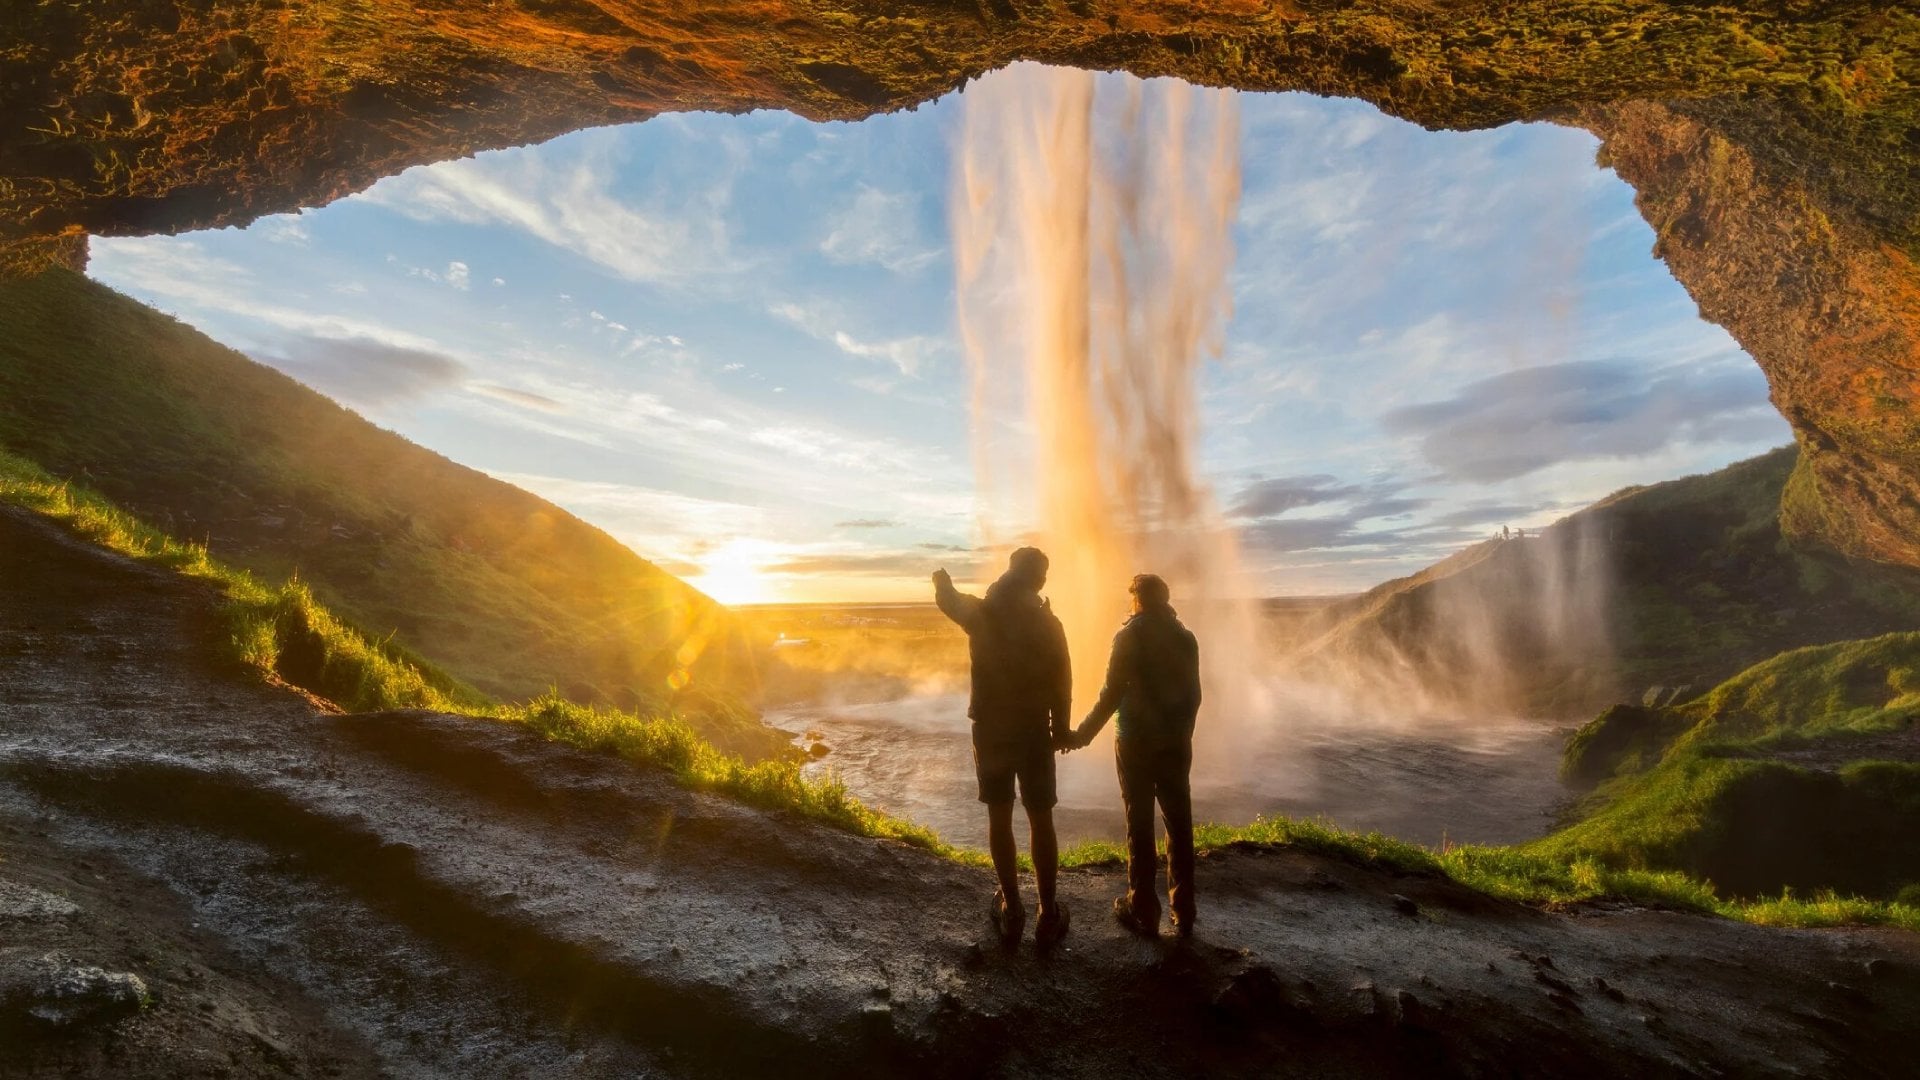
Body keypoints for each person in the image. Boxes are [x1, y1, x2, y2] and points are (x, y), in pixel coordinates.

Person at [933, 548, 1074, 947]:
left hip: (992, 729)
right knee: (1040, 817)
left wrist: (941, 580)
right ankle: (1048, 914)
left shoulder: (983, 613)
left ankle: (1012, 908)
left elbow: (948, 601)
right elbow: (1063, 679)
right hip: (1034, 731)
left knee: (999, 814)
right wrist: (1061, 729)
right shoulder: (1049, 623)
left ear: (1010, 571)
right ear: (1039, 579)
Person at [1069, 573, 1202, 937]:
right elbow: (1194, 696)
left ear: (1138, 600)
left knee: (1139, 821)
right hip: (1175, 743)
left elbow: (1112, 692)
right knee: (1179, 822)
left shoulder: (1129, 636)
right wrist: (1182, 734)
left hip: (1134, 741)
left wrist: (1082, 735)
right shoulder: (1185, 638)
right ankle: (1184, 909)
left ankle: (1142, 907)